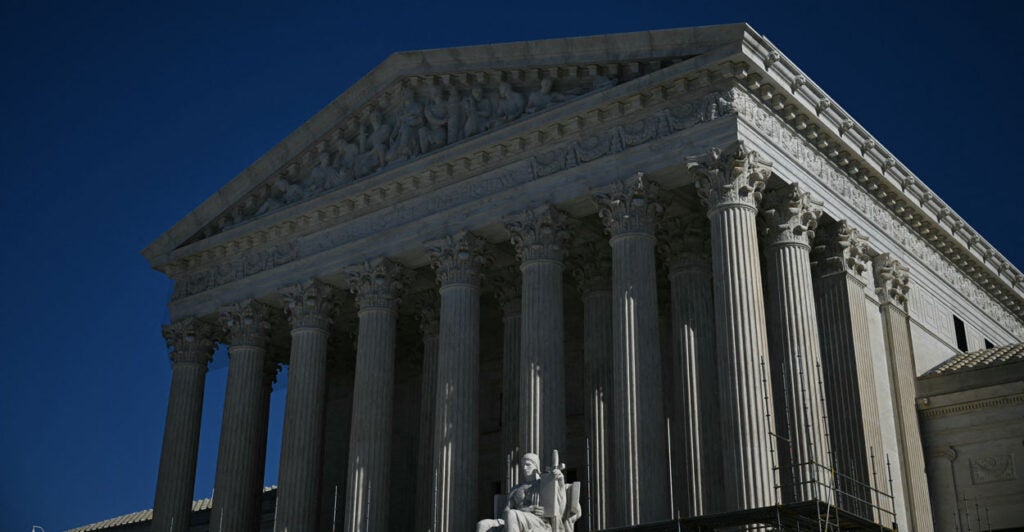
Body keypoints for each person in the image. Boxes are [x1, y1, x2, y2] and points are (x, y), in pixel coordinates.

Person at [477, 453, 565, 532]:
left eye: (528, 465)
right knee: (482, 524)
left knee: (512, 515)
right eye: (523, 465)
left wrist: (560, 481)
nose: (524, 467)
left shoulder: (544, 484)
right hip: (514, 518)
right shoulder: (516, 488)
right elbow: (505, 511)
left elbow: (559, 504)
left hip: (538, 520)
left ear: (536, 466)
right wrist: (526, 509)